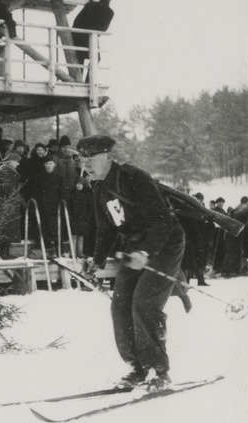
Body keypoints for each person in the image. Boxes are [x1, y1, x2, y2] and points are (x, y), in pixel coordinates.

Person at [78, 135, 185, 391]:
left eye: (91, 159)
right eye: (82, 160)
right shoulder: (99, 188)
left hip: (165, 244)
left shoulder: (133, 177)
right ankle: (138, 367)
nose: (86, 165)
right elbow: (106, 229)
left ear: (107, 157)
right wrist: (97, 260)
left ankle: (160, 371)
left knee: (145, 303)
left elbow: (162, 220)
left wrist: (146, 252)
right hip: (135, 247)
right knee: (121, 305)